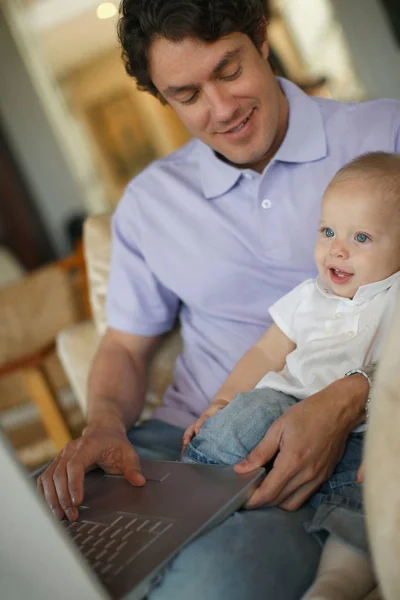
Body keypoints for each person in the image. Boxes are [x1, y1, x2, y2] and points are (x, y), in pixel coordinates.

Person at [37, 1, 400, 598]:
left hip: (323, 459)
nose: (222, 109)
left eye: (228, 70)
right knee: (41, 557)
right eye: (186, 94)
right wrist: (103, 423)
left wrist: (353, 395)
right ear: (161, 97)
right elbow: (126, 347)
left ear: (260, 37)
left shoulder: (381, 137)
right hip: (177, 439)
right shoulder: (151, 202)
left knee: (207, 585)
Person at [182, 151, 400, 600]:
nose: (337, 249)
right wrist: (221, 401)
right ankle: (194, 491)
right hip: (285, 409)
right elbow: (266, 351)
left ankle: (335, 584)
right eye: (327, 232)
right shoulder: (308, 297)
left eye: (361, 237)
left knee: (375, 504)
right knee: (248, 415)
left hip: (369, 436)